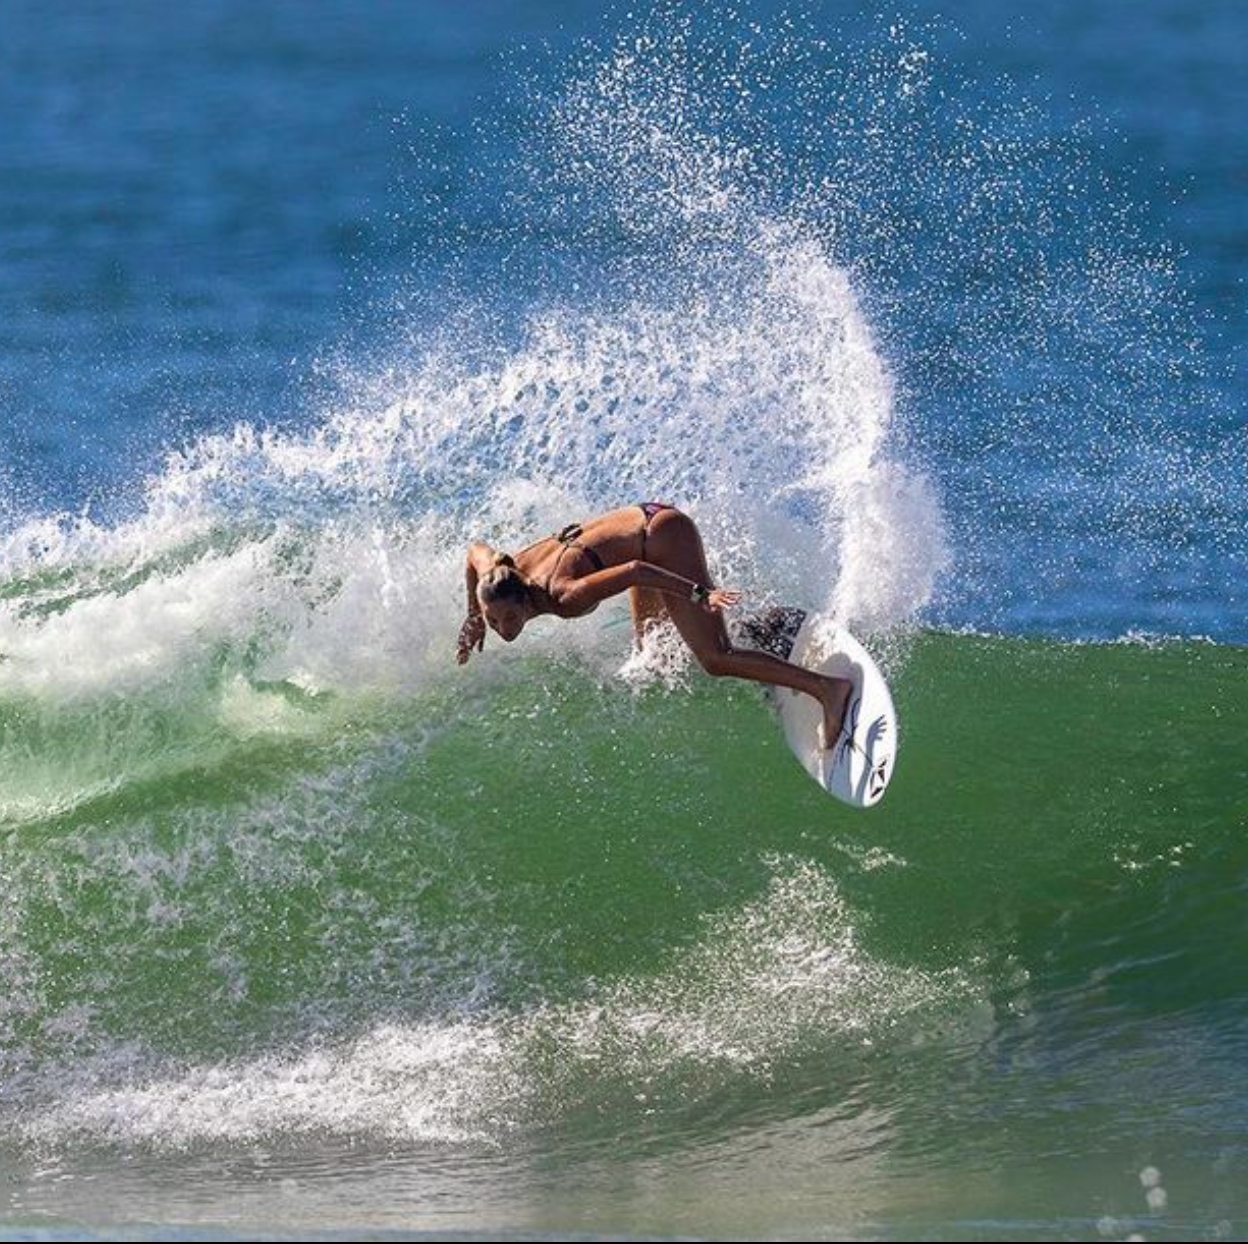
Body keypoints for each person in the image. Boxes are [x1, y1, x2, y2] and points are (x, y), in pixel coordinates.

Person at [457, 502, 853, 748]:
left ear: (525, 600)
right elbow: (474, 552)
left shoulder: (563, 595)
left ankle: (827, 689)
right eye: (493, 619)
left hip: (662, 539)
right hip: (640, 521)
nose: (503, 628)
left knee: (715, 659)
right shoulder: (498, 573)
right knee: (652, 651)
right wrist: (474, 617)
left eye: (509, 617)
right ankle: (762, 630)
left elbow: (635, 571)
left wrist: (700, 595)